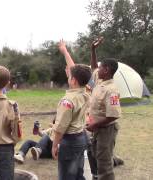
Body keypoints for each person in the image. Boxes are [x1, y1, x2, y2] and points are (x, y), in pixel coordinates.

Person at [52, 39, 92, 180]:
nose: (68, 74)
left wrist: (55, 145)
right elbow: (75, 70)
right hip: (81, 138)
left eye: (69, 75)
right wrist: (65, 51)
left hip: (69, 141)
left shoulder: (67, 101)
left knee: (67, 176)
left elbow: (61, 127)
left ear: (73, 80)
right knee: (78, 174)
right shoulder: (86, 92)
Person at [86, 36, 122, 180]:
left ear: (106, 70)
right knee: (94, 155)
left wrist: (94, 124)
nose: (97, 69)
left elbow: (113, 115)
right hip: (96, 128)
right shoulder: (100, 81)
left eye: (101, 67)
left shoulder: (111, 90)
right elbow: (93, 67)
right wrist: (93, 50)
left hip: (106, 130)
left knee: (104, 163)